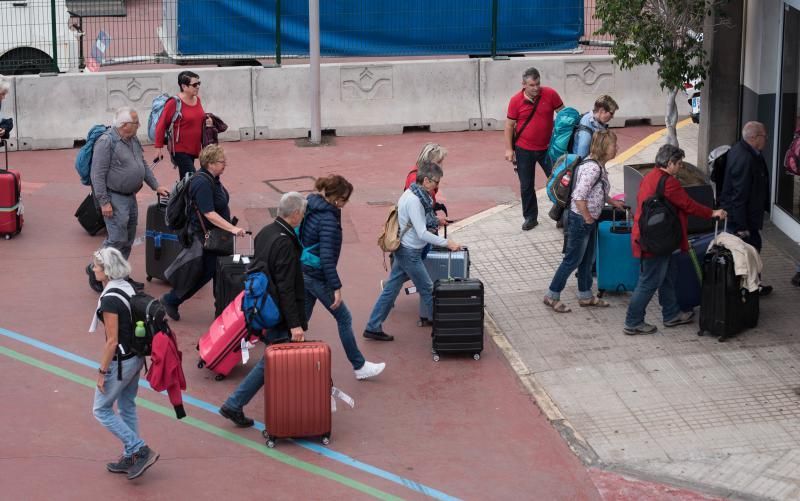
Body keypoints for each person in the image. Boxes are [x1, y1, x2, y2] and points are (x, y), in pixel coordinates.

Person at [218, 192, 308, 427]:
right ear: (296, 214)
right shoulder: (285, 243)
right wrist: (295, 324)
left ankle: (236, 404)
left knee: (272, 359)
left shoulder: (266, 232)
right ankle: (236, 403)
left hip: (263, 307)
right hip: (277, 312)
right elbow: (286, 287)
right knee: (272, 361)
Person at [624, 144, 727, 335]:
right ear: (669, 163)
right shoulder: (669, 182)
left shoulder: (649, 177)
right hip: (657, 240)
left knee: (668, 275)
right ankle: (633, 321)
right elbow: (688, 205)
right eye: (679, 164)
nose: (680, 167)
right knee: (649, 281)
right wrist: (712, 212)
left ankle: (671, 314)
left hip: (652, 236)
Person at [363, 161, 462, 341]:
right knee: (428, 289)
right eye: (435, 182)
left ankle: (373, 326)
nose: (437, 186)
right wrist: (448, 243)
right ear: (425, 181)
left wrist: (437, 222)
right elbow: (422, 233)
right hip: (410, 253)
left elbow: (417, 222)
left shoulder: (411, 194)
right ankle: (444, 332)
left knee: (391, 289)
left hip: (404, 250)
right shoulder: (416, 201)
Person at [301, 175, 386, 380]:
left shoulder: (311, 205)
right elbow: (327, 257)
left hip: (304, 269)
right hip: (317, 276)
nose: (345, 203)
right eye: (345, 199)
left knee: (301, 319)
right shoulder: (328, 219)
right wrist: (336, 287)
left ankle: (279, 352)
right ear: (336, 198)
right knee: (344, 317)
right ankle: (359, 366)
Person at [88, 247, 159, 479]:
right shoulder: (127, 285)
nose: (93, 269)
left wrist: (101, 372)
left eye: (97, 266)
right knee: (127, 405)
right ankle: (131, 455)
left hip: (121, 363)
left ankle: (139, 448)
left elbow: (111, 341)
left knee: (101, 410)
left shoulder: (109, 299)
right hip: (137, 356)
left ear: (107, 270)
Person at [86, 106, 170, 293]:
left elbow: (143, 165)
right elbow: (97, 175)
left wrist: (156, 185)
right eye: (136, 123)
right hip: (114, 198)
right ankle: (95, 269)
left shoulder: (132, 139)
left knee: (127, 238)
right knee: (116, 238)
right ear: (124, 125)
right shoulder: (106, 142)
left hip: (130, 197)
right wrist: (104, 202)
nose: (139, 125)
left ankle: (119, 275)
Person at [160, 144, 246, 321]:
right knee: (204, 273)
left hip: (216, 236)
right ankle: (172, 299)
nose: (225, 164)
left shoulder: (213, 179)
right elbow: (209, 213)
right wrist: (233, 228)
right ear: (211, 163)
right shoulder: (202, 183)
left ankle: (220, 308)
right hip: (207, 237)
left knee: (217, 272)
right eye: (222, 161)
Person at [543, 130, 625, 313]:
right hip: (581, 220)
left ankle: (585, 295)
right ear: (604, 147)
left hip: (588, 219)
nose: (617, 148)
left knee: (587, 259)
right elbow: (579, 197)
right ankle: (552, 295)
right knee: (572, 260)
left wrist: (612, 202)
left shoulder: (599, 165)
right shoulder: (593, 168)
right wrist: (588, 218)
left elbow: (597, 191)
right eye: (614, 145)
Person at [504, 67, 564, 231]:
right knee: (526, 186)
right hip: (524, 149)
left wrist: (563, 138)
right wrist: (509, 149)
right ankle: (530, 218)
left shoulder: (550, 94)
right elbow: (509, 126)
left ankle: (562, 215)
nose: (536, 88)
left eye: (538, 84)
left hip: (548, 148)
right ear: (523, 84)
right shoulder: (515, 101)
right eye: (532, 85)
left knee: (559, 181)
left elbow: (563, 115)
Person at [719, 121, 773, 296]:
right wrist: (742, 227)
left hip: (745, 217)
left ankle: (754, 284)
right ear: (754, 137)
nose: (767, 139)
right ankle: (749, 288)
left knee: (752, 251)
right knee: (750, 251)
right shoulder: (745, 158)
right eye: (764, 136)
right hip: (742, 220)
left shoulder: (744, 151)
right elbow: (739, 195)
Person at [154, 70, 211, 179]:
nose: (198, 87)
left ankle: (181, 196)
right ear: (184, 86)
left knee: (185, 180)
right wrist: (158, 148)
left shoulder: (197, 99)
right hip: (180, 150)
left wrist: (208, 121)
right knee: (192, 178)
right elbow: (161, 124)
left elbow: (198, 118)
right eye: (194, 85)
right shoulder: (174, 103)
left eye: (199, 83)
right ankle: (186, 196)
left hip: (193, 148)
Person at [404, 142, 449, 227]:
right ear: (428, 162)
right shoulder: (415, 178)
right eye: (438, 162)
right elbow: (418, 211)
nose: (441, 165)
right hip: (416, 227)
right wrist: (435, 220)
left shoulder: (424, 174)